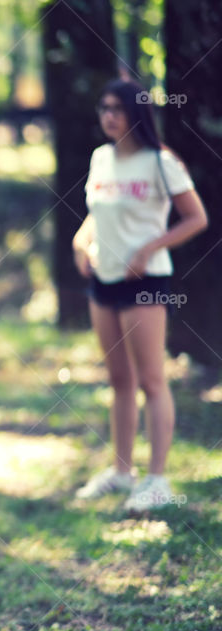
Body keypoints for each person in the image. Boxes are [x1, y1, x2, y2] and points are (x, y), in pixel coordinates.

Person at [72, 79, 208, 511]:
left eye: (117, 108)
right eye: (102, 108)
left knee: (151, 379)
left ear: (136, 113)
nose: (108, 116)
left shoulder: (161, 162)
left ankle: (157, 480)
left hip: (145, 283)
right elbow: (97, 214)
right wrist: (80, 241)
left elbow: (195, 219)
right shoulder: (101, 159)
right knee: (119, 381)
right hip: (103, 281)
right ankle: (120, 471)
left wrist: (149, 249)